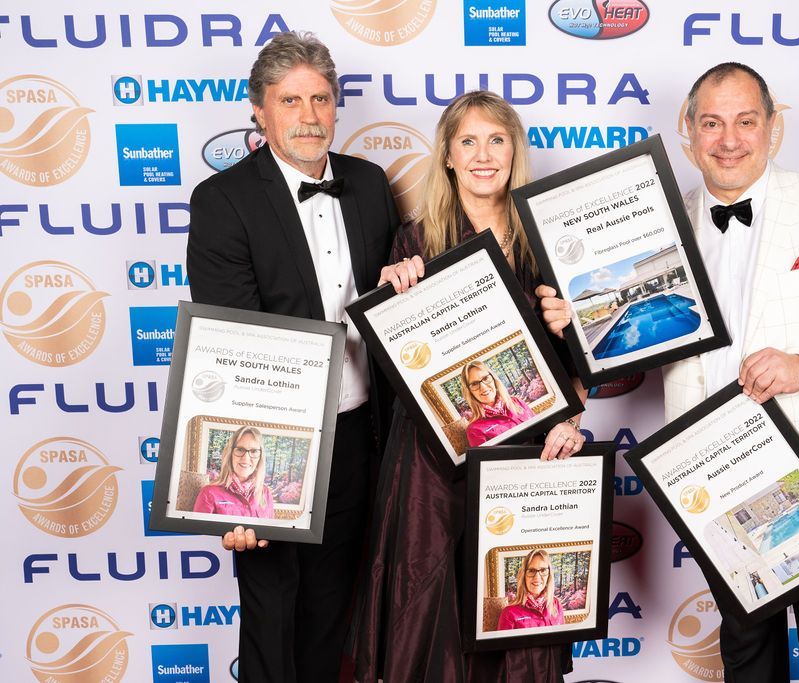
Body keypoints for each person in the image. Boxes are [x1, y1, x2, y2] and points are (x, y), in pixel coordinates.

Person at [539, 62, 799, 683]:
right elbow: (628, 336)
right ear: (689, 132)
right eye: (712, 123)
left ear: (771, 128)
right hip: (713, 476)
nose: (728, 140)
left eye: (746, 122)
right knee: (746, 653)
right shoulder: (659, 226)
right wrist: (575, 323)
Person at [350, 90, 586, 683]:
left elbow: (586, 361)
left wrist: (572, 410)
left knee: (516, 611)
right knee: (432, 611)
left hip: (527, 451)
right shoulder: (415, 243)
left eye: (497, 140)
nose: (484, 155)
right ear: (448, 156)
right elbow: (395, 365)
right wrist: (393, 297)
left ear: (514, 151)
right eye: (469, 142)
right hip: (431, 465)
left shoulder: (549, 238)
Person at [185, 31, 399, 683]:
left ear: (336, 106)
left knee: (332, 620)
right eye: (290, 101)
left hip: (360, 441)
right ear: (259, 110)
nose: (309, 116)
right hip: (270, 451)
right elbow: (229, 347)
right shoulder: (223, 201)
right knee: (273, 622)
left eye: (321, 99)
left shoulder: (369, 184)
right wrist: (236, 494)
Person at [193, 426, 274, 518]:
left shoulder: (266, 493)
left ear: (260, 457)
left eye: (254, 451)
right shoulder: (209, 493)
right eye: (240, 449)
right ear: (230, 454)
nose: (246, 458)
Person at [461, 360, 534, 447]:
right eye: (474, 384)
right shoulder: (474, 430)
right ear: (469, 391)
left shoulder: (516, 401)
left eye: (485, 378)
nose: (483, 387)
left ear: (493, 379)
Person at [497, 549, 565, 630]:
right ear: (524, 576)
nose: (537, 577)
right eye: (531, 571)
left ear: (549, 575)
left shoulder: (556, 604)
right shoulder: (508, 613)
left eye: (543, 570)